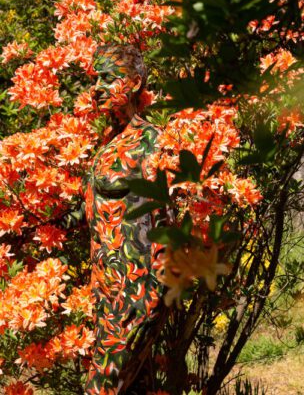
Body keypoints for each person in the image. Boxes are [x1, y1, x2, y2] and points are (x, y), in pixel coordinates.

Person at [84, 43, 164, 394]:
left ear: (133, 84)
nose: (96, 88)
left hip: (134, 299)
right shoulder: (107, 145)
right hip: (104, 298)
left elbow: (167, 227)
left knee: (100, 389)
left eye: (107, 78)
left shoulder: (152, 144)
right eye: (95, 78)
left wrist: (151, 305)